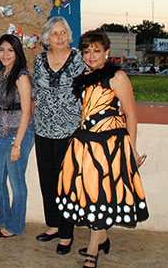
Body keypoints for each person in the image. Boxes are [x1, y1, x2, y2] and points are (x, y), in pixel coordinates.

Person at [58, 30, 148, 268]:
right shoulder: (85, 76)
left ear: (107, 52)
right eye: (87, 51)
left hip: (110, 146)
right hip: (85, 144)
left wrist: (133, 150)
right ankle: (103, 239)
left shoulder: (117, 77)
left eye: (96, 51)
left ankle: (92, 250)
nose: (91, 56)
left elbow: (131, 116)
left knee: (100, 197)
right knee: (89, 196)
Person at [32, 16, 86, 254]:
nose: (59, 37)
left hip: (70, 130)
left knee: (67, 182)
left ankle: (67, 233)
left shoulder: (78, 59)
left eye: (63, 33)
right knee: (47, 181)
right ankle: (53, 225)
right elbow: (35, 91)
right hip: (43, 128)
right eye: (55, 33)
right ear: (47, 37)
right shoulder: (39, 60)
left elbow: (89, 89)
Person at [0, 34, 34, 238]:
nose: (5, 54)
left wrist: (18, 144)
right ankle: (4, 215)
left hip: (19, 134)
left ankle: (15, 226)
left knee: (16, 182)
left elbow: (26, 112)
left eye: (10, 50)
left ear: (17, 53)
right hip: (3, 134)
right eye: (2, 50)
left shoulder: (21, 76)